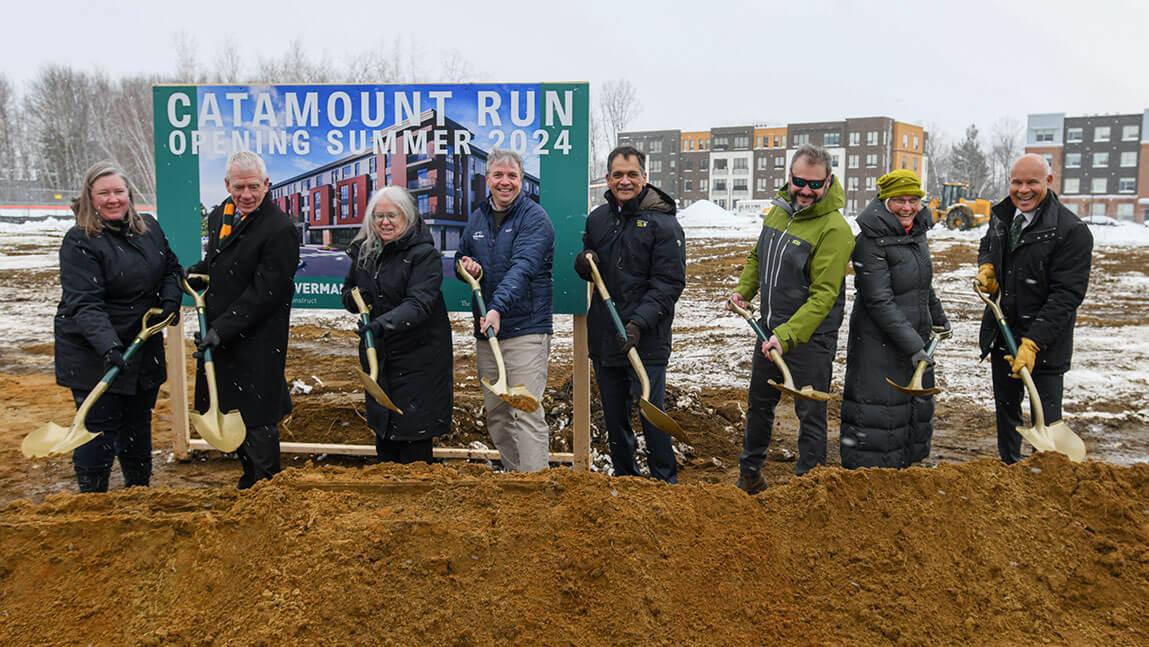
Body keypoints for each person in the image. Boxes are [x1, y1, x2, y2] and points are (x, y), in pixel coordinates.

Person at [730, 144, 854, 493]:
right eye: (800, 182)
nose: (806, 191)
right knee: (759, 406)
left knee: (810, 414)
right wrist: (744, 290)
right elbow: (758, 256)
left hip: (809, 339)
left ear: (828, 182)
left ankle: (808, 489)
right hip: (768, 331)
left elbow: (823, 297)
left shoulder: (835, 230)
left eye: (815, 184)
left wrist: (787, 335)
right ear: (790, 177)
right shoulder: (778, 212)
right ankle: (749, 475)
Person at [54, 161, 183, 492]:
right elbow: (84, 301)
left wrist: (170, 299)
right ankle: (93, 497)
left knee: (138, 423)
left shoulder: (149, 228)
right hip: (94, 350)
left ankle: (138, 491)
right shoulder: (80, 241)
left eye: (118, 191)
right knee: (98, 426)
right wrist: (108, 346)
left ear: (129, 194)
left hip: (142, 343)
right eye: (104, 193)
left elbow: (171, 267)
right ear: (89, 197)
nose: (113, 199)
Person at [186, 151, 299, 489]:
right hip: (226, 334)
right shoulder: (224, 213)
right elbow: (218, 260)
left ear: (267, 185)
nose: (246, 194)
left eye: (253, 186)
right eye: (239, 187)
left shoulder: (279, 229)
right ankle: (249, 478)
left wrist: (221, 329)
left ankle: (266, 487)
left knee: (257, 416)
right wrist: (196, 273)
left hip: (259, 338)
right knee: (232, 408)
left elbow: (266, 293)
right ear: (227, 185)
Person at [574, 145, 686, 483]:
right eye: (617, 175)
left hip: (645, 339)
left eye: (631, 174)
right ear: (607, 179)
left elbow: (668, 284)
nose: (625, 181)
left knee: (651, 413)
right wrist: (584, 263)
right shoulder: (598, 219)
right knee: (614, 417)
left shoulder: (663, 225)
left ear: (645, 178)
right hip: (607, 335)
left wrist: (638, 324)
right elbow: (592, 265)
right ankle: (625, 479)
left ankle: (664, 481)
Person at [976, 153, 1092, 464]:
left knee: (1048, 421)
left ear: (1049, 182)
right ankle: (1010, 472)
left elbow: (1066, 295)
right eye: (1017, 182)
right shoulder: (1002, 216)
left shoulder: (1071, 230)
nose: (1023, 190)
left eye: (1032, 183)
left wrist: (1034, 341)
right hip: (1004, 335)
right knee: (1007, 415)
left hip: (1046, 346)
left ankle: (1047, 485)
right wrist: (987, 266)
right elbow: (988, 243)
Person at [840, 170, 950, 469]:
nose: (907, 207)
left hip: (914, 341)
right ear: (884, 201)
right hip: (878, 345)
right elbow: (879, 300)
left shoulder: (916, 234)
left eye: (913, 200)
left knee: (908, 414)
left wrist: (937, 316)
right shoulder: (869, 241)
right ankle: (869, 482)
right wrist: (915, 345)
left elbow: (921, 284)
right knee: (880, 415)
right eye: (898, 200)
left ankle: (903, 477)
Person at [456, 149, 555, 472]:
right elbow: (462, 256)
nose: (505, 182)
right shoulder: (478, 217)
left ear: (522, 181)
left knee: (525, 412)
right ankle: (517, 481)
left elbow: (523, 267)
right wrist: (465, 266)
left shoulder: (534, 218)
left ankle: (535, 489)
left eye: (512, 176)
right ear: (488, 179)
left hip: (525, 329)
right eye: (498, 175)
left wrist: (498, 307)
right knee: (498, 413)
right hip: (488, 330)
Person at [341, 186, 452, 463]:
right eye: (378, 216)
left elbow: (419, 305)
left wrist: (380, 324)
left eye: (392, 215)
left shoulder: (423, 255)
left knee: (413, 436)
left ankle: (417, 498)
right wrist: (354, 300)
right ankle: (389, 500)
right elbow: (349, 289)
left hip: (419, 359)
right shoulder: (367, 252)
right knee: (386, 432)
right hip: (382, 356)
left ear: (407, 217)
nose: (384, 222)